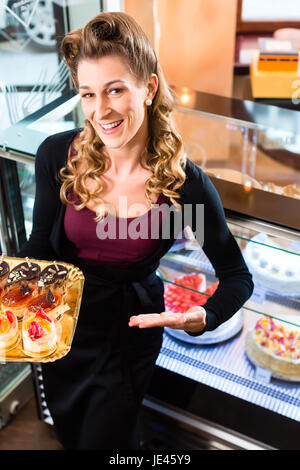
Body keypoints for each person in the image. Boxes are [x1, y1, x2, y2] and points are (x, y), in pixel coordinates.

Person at [17, 12, 254, 450]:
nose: (100, 111)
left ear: (148, 88)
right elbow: (40, 247)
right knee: (69, 428)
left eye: (115, 90)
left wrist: (206, 316)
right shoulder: (57, 156)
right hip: (62, 329)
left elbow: (237, 276)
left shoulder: (184, 185)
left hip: (129, 333)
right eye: (88, 94)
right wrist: (11, 295)